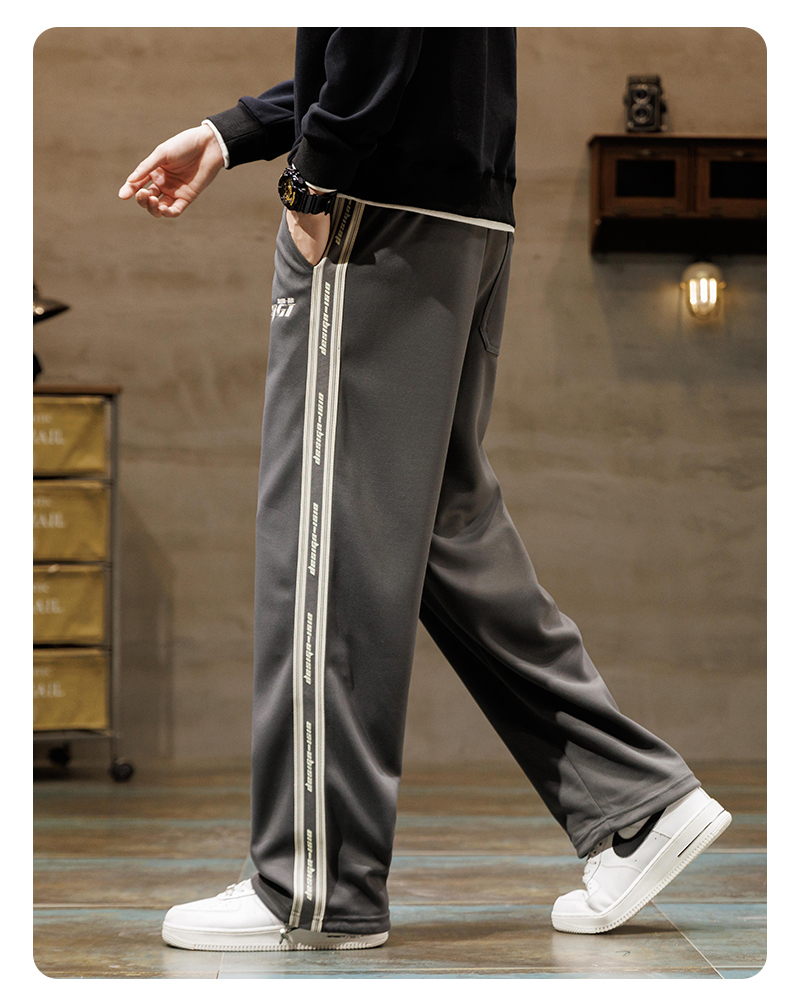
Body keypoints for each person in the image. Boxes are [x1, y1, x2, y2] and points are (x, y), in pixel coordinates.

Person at [119, 28, 730, 952]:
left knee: (327, 539)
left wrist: (315, 177)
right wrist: (235, 131)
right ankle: (638, 802)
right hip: (463, 206)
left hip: (377, 209)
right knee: (441, 527)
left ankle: (311, 886)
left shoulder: (347, 177)